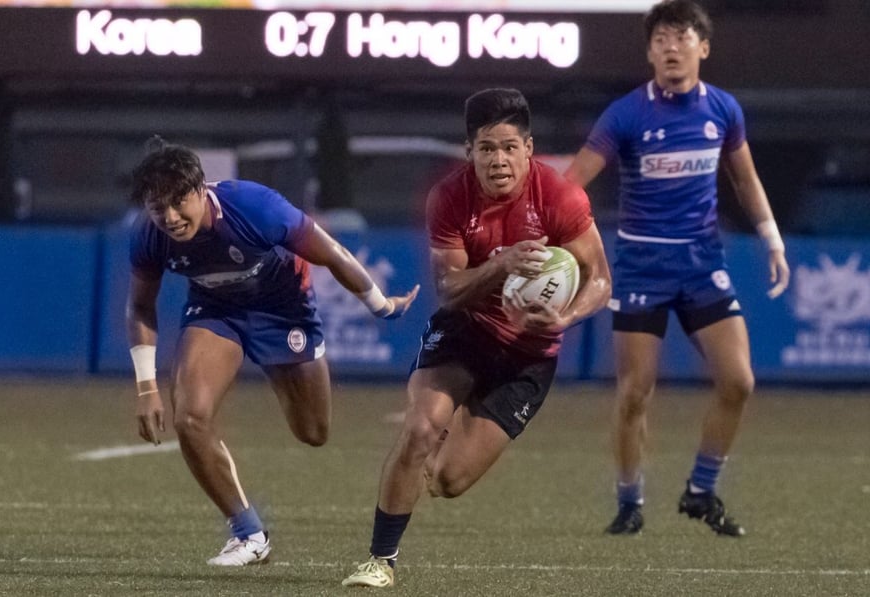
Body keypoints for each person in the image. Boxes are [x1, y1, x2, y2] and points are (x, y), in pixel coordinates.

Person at [342, 88, 611, 588]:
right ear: (469, 152)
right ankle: (380, 561)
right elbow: (448, 289)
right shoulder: (449, 197)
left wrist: (564, 318)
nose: (498, 160)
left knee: (448, 481)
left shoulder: (560, 197)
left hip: (528, 357)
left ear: (528, 149)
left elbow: (600, 281)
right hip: (467, 328)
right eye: (486, 148)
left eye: (509, 147)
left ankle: (440, 444)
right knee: (420, 429)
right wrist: (502, 264)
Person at [125, 137, 420, 566]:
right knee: (189, 417)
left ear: (201, 189)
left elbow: (333, 254)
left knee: (313, 432)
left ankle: (285, 373)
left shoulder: (255, 207)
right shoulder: (150, 235)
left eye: (178, 203)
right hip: (215, 312)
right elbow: (139, 306)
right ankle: (249, 534)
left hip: (284, 310)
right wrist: (146, 387)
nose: (170, 217)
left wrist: (381, 305)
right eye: (158, 207)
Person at [564, 0, 791, 537]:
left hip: (701, 265)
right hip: (642, 267)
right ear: (649, 52)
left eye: (682, 37)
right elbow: (571, 184)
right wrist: (559, 240)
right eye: (661, 39)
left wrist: (772, 239)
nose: (671, 47)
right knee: (634, 392)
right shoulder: (626, 114)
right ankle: (629, 500)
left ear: (703, 48)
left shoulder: (723, 110)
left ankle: (700, 491)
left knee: (738, 381)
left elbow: (745, 180)